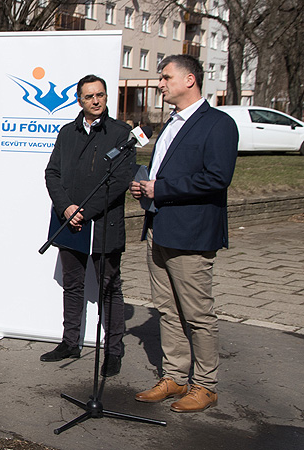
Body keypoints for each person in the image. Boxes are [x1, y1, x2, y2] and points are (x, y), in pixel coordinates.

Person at [131, 54, 238, 413]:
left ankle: (205, 385)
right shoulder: (171, 123)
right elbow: (166, 171)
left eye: (165, 77)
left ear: (189, 79)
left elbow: (217, 177)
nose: (160, 83)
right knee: (167, 310)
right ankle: (175, 376)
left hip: (191, 235)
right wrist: (146, 186)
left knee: (198, 315)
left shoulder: (218, 124)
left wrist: (159, 189)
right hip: (158, 230)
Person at [41, 75, 135, 377]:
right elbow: (52, 173)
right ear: (79, 100)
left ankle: (114, 351)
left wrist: (85, 211)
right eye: (89, 96)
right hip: (68, 221)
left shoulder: (121, 134)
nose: (96, 101)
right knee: (73, 284)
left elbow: (120, 181)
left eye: (101, 95)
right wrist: (67, 207)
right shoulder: (67, 132)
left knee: (109, 287)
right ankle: (70, 342)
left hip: (103, 224)